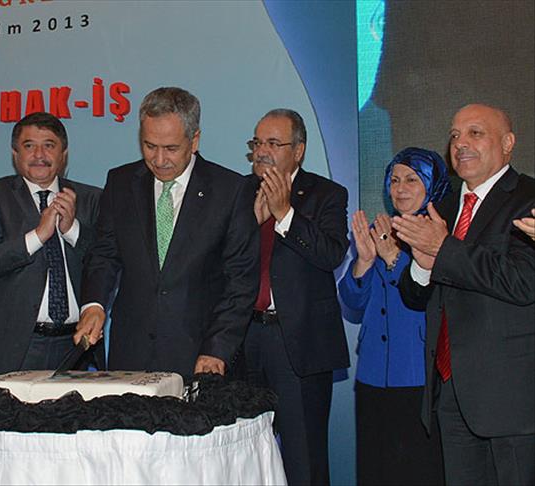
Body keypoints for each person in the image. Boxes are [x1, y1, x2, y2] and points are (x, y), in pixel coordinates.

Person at [394, 104, 534, 485]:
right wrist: (423, 265)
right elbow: (415, 296)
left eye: (475, 133)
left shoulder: (528, 197)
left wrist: (444, 250)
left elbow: (523, 282)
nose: (460, 143)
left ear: (508, 143)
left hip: (511, 399)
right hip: (450, 391)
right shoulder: (444, 204)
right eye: (455, 135)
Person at [76, 87, 259, 378]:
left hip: (200, 354)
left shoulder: (230, 191)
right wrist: (93, 304)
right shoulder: (121, 182)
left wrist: (217, 348)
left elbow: (241, 282)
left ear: (194, 140)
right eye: (149, 146)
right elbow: (104, 254)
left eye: (171, 148)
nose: (159, 159)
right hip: (131, 353)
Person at [243, 108, 349, 485]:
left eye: (274, 143)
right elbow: (216, 264)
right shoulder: (238, 192)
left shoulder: (326, 194)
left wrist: (285, 214)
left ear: (298, 150)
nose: (262, 151)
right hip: (243, 341)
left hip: (298, 344)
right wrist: (251, 225)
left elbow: (331, 254)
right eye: (258, 143)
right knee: (243, 454)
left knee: (304, 459)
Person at [0, 112, 102, 375]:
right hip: (13, 345)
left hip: (75, 344)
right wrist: (38, 235)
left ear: (63, 154)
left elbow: (104, 262)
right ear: (15, 154)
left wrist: (71, 229)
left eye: (49, 145)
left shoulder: (90, 198)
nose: (39, 155)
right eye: (29, 145)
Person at [338, 147, 450, 485]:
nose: (400, 189)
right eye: (395, 180)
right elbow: (352, 302)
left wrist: (393, 259)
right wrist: (363, 262)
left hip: (417, 372)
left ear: (431, 185)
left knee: (415, 470)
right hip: (372, 371)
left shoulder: (441, 234)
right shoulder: (380, 228)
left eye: (411, 180)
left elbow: (429, 297)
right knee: (375, 467)